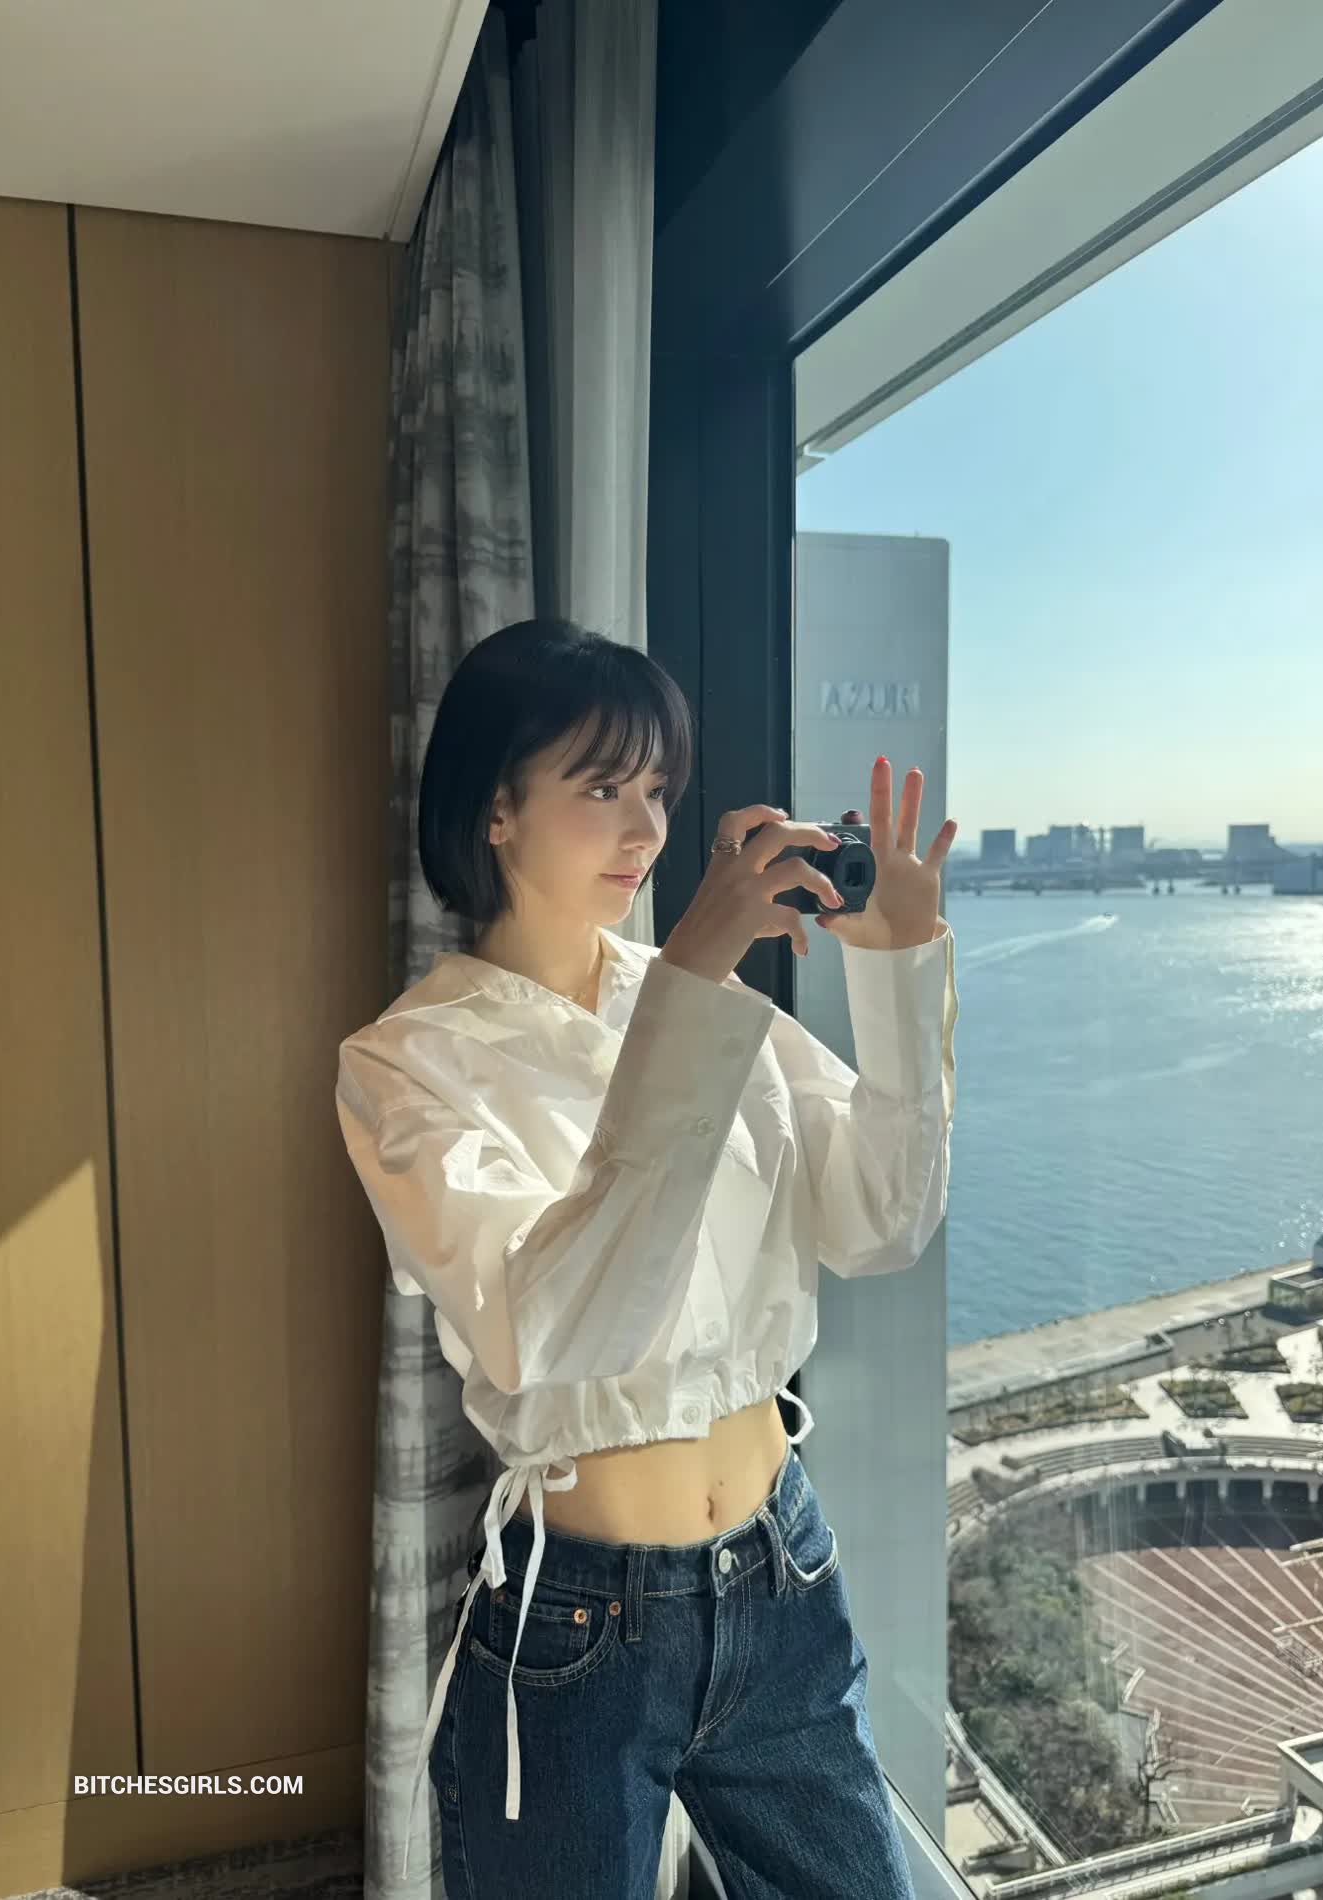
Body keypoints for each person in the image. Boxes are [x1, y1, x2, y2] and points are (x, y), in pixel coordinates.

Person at [335, 618, 960, 1897]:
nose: (647, 830)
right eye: (603, 788)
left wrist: (898, 973)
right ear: (497, 808)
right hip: (579, 1622)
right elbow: (557, 1323)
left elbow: (880, 1221)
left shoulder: (717, 1011)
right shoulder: (408, 1063)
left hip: (782, 1571)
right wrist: (693, 970)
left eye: (660, 791)